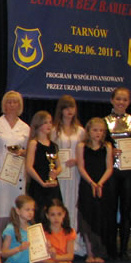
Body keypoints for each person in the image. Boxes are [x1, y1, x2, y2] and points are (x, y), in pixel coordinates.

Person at [104, 86, 131, 261]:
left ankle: (124, 249)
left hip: (128, 170)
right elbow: (99, 145)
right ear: (112, 100)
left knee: (126, 209)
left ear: (129, 102)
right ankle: (111, 248)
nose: (121, 102)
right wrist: (110, 150)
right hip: (110, 170)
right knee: (110, 209)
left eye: (124, 99)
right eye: (118, 99)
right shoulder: (103, 122)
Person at [0, 91, 29, 236]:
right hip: (0, 171)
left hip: (18, 171)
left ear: (20, 105)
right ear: (4, 105)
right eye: (9, 102)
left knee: (17, 206)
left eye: (15, 102)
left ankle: (16, 239)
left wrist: (23, 152)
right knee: (2, 207)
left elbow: (30, 150)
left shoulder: (25, 127)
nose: (12, 105)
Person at [76, 118, 113, 263]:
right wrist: (91, 183)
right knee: (87, 218)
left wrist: (100, 183)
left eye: (101, 130)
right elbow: (81, 167)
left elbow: (109, 168)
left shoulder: (107, 146)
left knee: (100, 218)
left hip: (102, 185)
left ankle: (99, 252)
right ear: (89, 131)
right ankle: (90, 253)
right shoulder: (82, 146)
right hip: (87, 185)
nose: (98, 133)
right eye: (95, 130)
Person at [51, 95, 85, 235]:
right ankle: (59, 236)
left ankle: (74, 237)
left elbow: (85, 152)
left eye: (72, 107)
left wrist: (77, 160)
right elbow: (50, 152)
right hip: (60, 173)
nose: (69, 111)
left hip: (75, 173)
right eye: (66, 108)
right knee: (61, 203)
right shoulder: (54, 131)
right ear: (61, 110)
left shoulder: (80, 131)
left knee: (75, 203)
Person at [26, 111, 63, 214]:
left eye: (50, 122)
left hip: (52, 185)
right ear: (38, 124)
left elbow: (59, 166)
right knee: (39, 214)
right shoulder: (34, 143)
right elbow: (29, 167)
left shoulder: (53, 145)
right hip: (38, 185)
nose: (49, 125)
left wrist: (56, 172)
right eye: (45, 122)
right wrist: (41, 182)